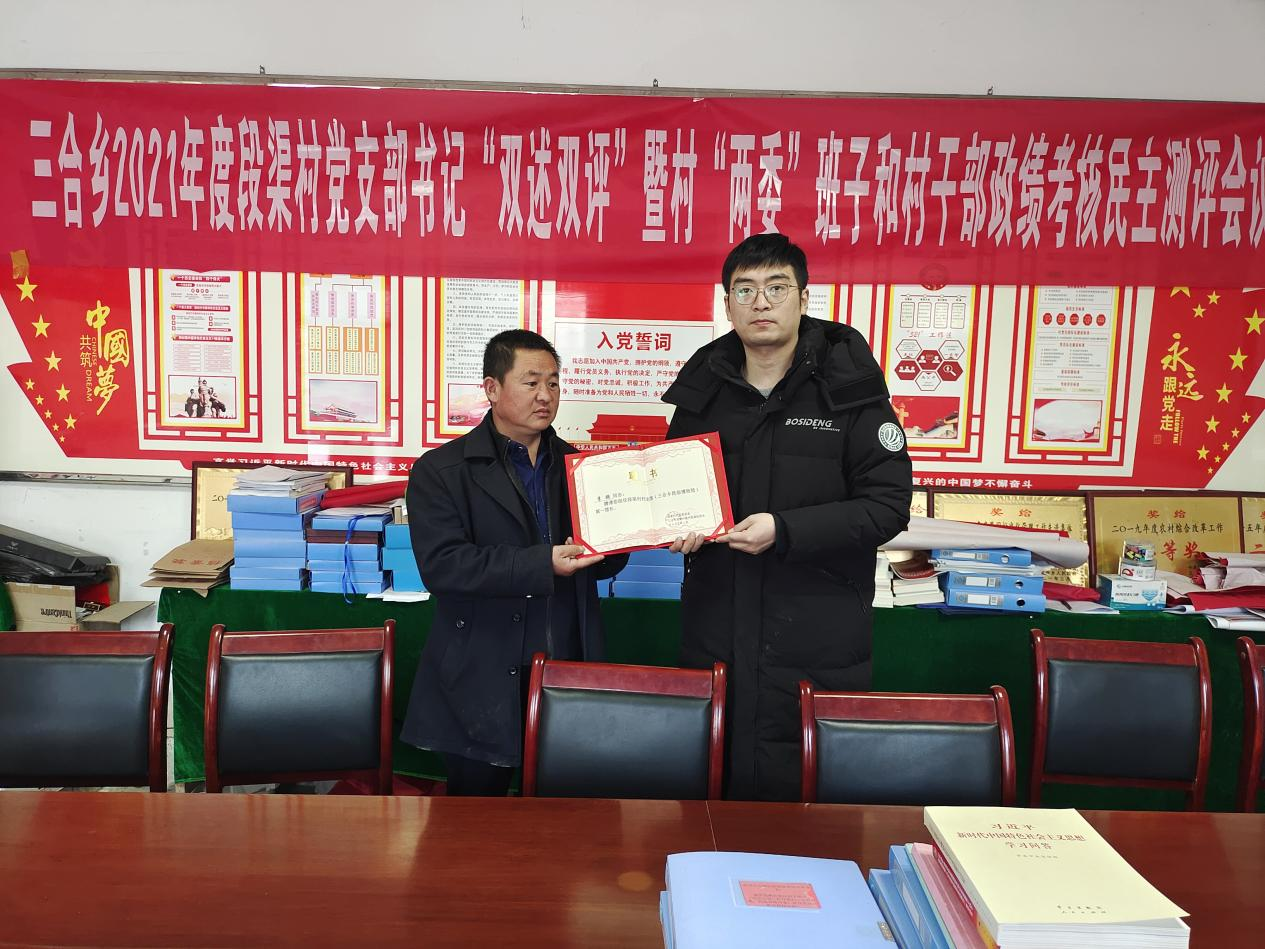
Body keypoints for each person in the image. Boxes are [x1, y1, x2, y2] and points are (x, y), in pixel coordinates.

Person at [663, 233, 912, 802]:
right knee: (712, 798)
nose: (760, 302)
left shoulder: (850, 390)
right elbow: (676, 490)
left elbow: (887, 506)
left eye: (776, 288)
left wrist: (786, 530)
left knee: (807, 806)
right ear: (727, 303)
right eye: (744, 290)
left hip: (817, 632)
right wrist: (678, 525)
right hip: (716, 628)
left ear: (803, 298)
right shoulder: (702, 390)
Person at [401, 329, 627, 795]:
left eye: (554, 383)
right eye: (531, 382)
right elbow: (444, 566)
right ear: (492, 388)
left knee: (564, 817)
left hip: (565, 665)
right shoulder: (442, 471)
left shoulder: (580, 468)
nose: (545, 395)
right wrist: (543, 564)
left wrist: (629, 537)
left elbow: (603, 564)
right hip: (481, 674)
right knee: (475, 821)